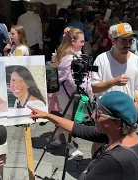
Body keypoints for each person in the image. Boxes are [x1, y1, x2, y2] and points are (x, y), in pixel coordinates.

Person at [28, 91, 138, 179]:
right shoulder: (122, 135)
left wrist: (88, 169)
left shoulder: (115, 158)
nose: (93, 115)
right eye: (95, 110)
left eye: (99, 115)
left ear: (117, 123)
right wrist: (47, 116)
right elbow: (79, 129)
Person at [50, 28, 91, 159]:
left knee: (66, 119)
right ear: (73, 41)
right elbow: (69, 80)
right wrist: (86, 89)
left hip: (71, 94)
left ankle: (54, 138)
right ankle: (70, 148)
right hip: (68, 94)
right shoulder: (68, 58)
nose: (84, 44)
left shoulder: (74, 55)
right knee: (69, 121)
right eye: (82, 41)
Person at [91, 23, 138, 106]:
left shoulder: (136, 60)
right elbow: (94, 88)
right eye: (123, 41)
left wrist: (137, 103)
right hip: (104, 112)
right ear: (113, 41)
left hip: (126, 113)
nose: (127, 45)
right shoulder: (101, 59)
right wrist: (113, 82)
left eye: (130, 41)